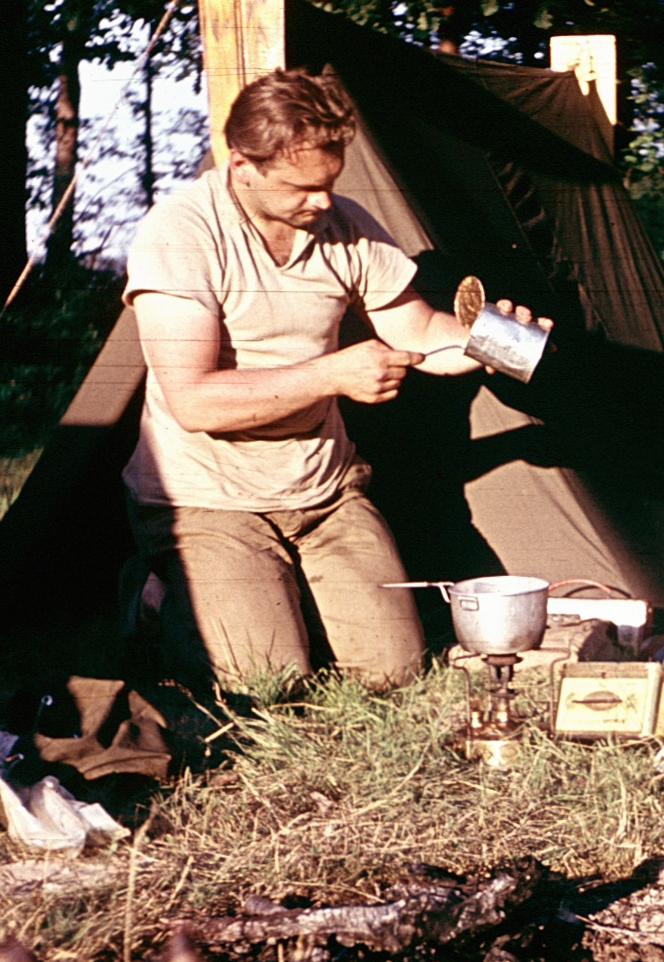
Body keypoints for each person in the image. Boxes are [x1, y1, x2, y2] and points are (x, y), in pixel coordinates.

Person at [122, 67, 546, 693]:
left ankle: (276, 602)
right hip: (207, 498)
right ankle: (157, 599)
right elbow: (193, 401)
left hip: (324, 492)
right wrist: (333, 374)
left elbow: (422, 334)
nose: (322, 201)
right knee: (265, 687)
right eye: (303, 187)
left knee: (395, 673)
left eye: (331, 182)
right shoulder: (180, 233)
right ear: (242, 165)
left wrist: (497, 341)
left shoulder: (344, 224)